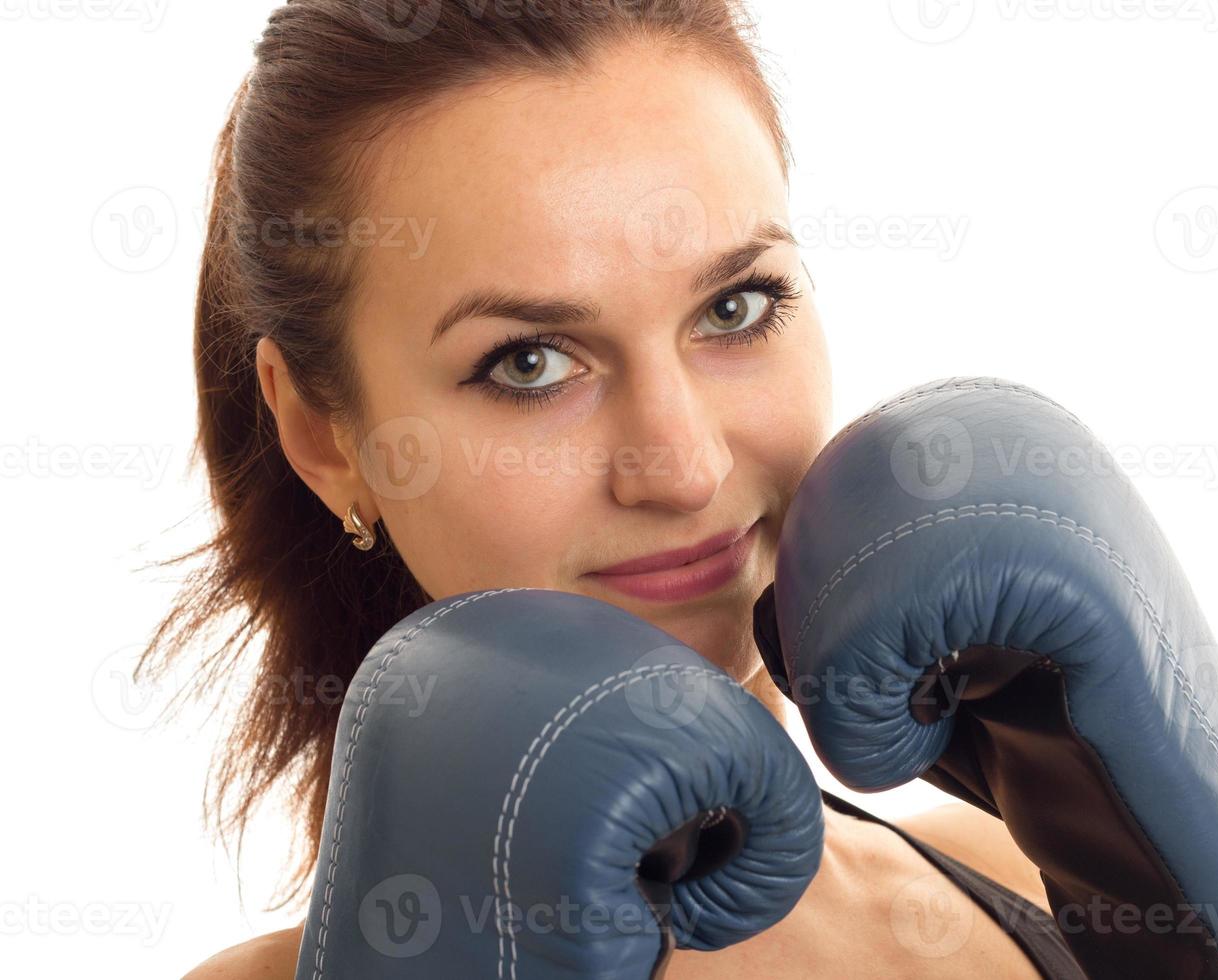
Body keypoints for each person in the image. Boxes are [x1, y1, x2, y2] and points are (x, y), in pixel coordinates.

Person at [151, 2, 1082, 977]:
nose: (686, 468)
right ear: (322, 437)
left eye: (736, 305)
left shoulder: (1043, 879)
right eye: (529, 363)